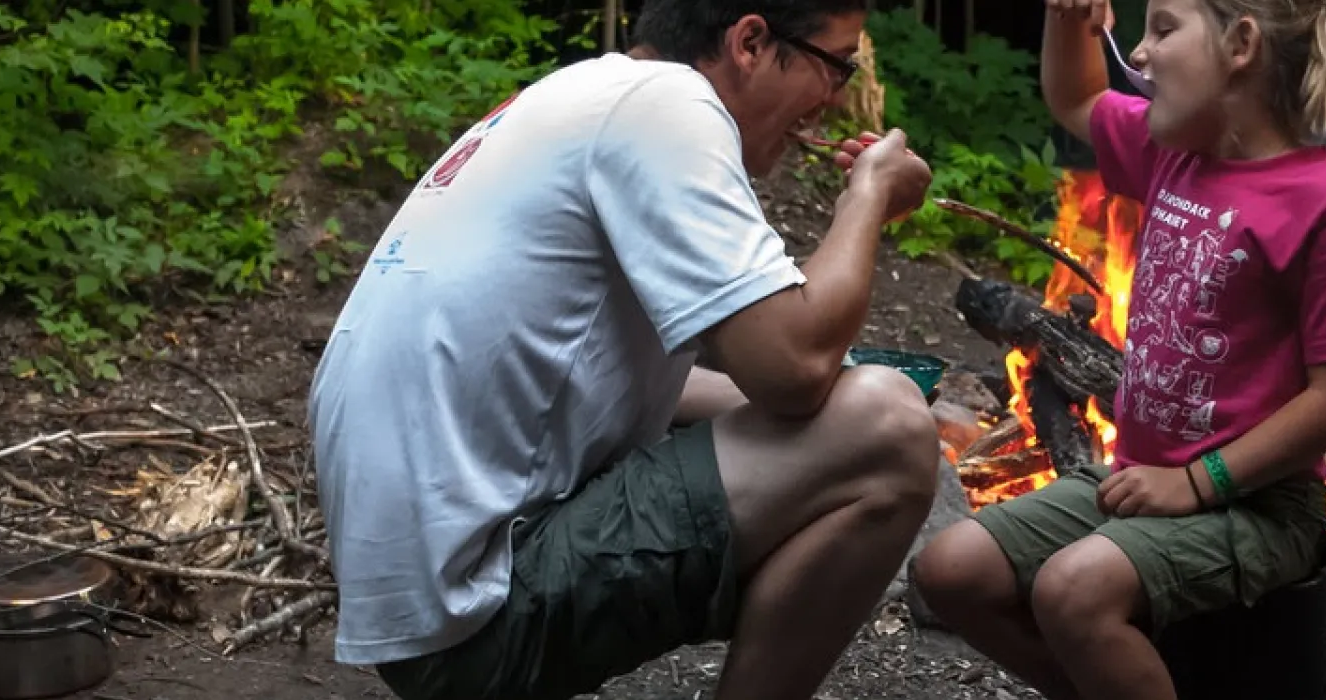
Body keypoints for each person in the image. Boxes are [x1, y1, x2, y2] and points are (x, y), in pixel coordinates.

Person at [304, 2, 942, 699]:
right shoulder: (671, 107)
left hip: (422, 611)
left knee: (847, 408)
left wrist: (822, 417)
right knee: (889, 426)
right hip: (479, 614)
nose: (840, 96)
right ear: (751, 42)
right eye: (836, 64)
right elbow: (793, 367)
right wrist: (868, 196)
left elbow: (608, 368)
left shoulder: (582, 97)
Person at [911, 0, 1326, 699]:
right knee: (951, 569)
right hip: (1142, 479)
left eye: (1164, 29)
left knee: (1072, 591)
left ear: (1240, 45)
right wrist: (1065, 16)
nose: (1138, 54)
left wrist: (1200, 482)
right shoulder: (1170, 153)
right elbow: (1077, 96)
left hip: (1258, 506)